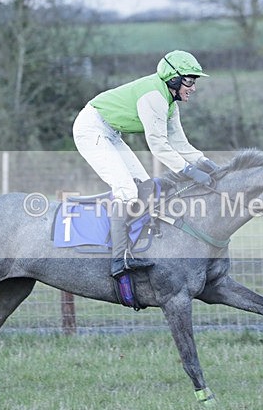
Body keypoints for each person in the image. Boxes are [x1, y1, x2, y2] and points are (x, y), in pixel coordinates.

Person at [73, 50, 218, 278]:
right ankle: (118, 260)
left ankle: (131, 246)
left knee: (145, 187)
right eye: (189, 81)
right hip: (91, 129)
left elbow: (181, 144)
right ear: (174, 78)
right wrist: (189, 171)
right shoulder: (155, 97)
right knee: (128, 191)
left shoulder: (171, 104)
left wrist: (208, 165)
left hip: (110, 133)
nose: (193, 87)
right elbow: (158, 145)